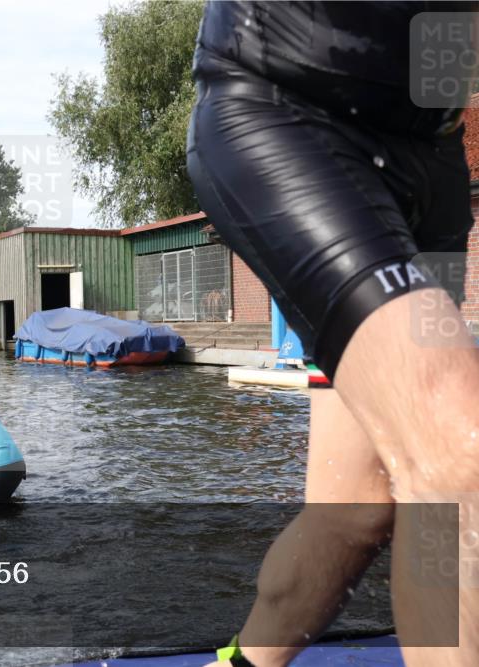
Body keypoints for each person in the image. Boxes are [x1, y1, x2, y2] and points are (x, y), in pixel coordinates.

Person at [186, 4, 479, 666]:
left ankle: (238, 662)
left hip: (433, 164)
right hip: (286, 108)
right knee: (461, 454)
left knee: (354, 508)